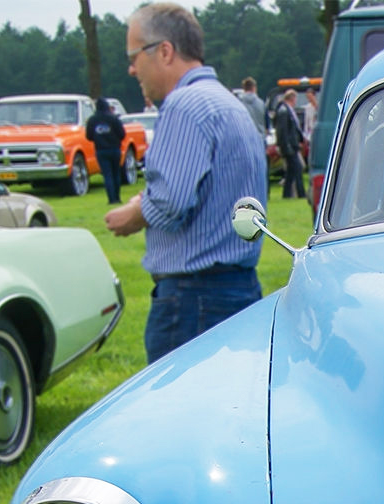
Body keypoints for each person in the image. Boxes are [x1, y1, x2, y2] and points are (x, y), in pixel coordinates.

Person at [104, 2, 268, 364]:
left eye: (134, 56)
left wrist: (134, 213)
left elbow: (170, 202)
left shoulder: (184, 105)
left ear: (164, 51)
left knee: (182, 415)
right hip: (232, 290)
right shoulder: (227, 102)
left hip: (194, 300)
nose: (132, 69)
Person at [85, 97, 128, 204]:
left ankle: (111, 199)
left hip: (101, 150)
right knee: (116, 173)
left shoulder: (92, 120)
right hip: (114, 149)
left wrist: (98, 138)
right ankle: (117, 197)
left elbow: (88, 136)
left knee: (107, 174)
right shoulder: (113, 119)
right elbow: (122, 134)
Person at [273, 88, 306, 200]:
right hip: (289, 146)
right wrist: (287, 146)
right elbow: (283, 131)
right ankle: (301, 193)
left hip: (292, 145)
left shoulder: (286, 110)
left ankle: (286, 194)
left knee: (291, 172)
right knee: (297, 169)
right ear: (292, 98)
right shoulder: (284, 111)